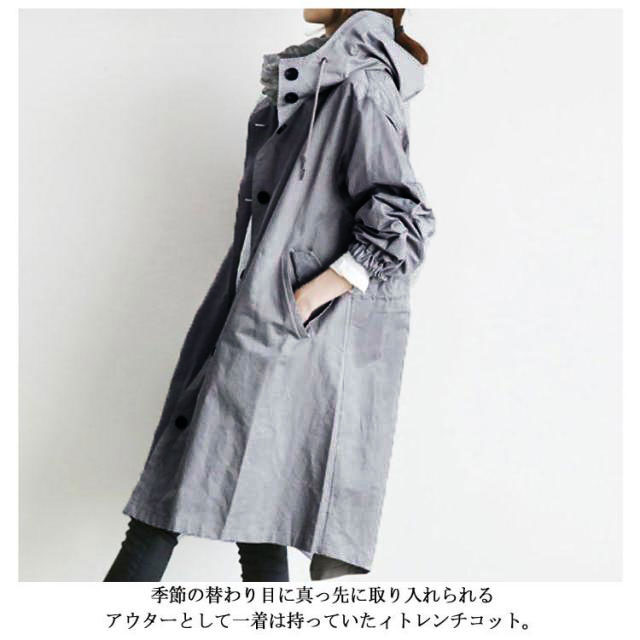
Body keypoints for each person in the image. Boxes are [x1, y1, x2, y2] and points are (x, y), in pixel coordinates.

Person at [104, 7, 435, 583]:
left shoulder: (360, 84)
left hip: (287, 329)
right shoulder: (321, 79)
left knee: (167, 506)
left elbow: (403, 218)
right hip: (257, 317)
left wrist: (301, 301)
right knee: (259, 512)